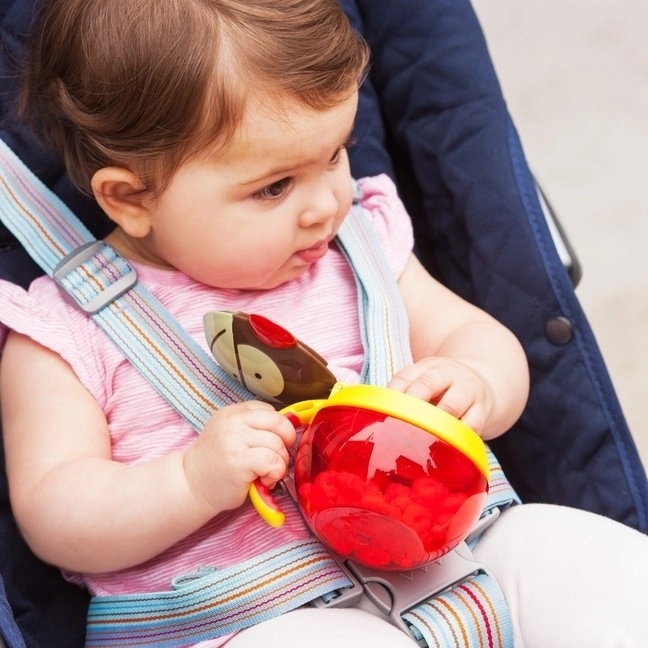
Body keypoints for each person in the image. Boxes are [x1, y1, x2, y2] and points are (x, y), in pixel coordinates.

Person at [0, 1, 647, 647]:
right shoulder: (65, 330)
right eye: (275, 187)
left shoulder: (360, 245)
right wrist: (189, 481)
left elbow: (474, 337)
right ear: (131, 197)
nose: (324, 204)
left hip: (457, 557)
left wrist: (474, 380)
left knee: (582, 558)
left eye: (335, 152)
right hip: (244, 620)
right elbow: (57, 512)